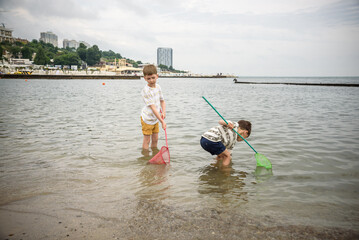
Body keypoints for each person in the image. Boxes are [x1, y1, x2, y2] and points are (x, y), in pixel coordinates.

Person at [140, 64, 166, 151]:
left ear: (157, 76)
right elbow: (153, 108)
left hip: (156, 119)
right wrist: (162, 121)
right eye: (148, 78)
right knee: (147, 140)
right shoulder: (145, 91)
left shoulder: (158, 87)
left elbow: (162, 101)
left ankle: (154, 155)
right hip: (147, 118)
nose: (151, 80)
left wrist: (164, 112)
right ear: (145, 78)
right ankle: (146, 157)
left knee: (155, 139)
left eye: (153, 78)